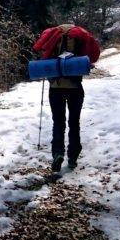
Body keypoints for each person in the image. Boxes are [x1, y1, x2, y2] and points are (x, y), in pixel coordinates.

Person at [33, 24, 101, 173]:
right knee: (74, 123)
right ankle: (73, 157)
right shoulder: (81, 36)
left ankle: (58, 153)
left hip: (56, 88)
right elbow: (93, 56)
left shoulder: (52, 35)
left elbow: (43, 57)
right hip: (75, 88)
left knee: (58, 122)